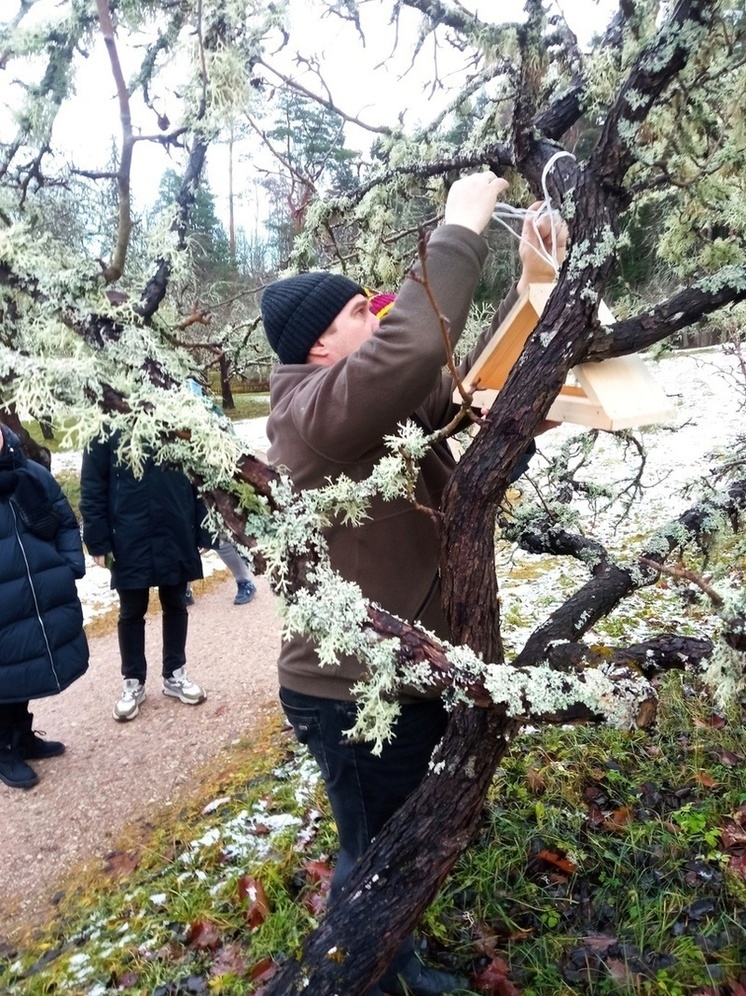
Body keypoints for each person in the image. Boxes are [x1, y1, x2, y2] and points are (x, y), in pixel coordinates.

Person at [261, 172, 566, 995]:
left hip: (406, 668)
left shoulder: (365, 403)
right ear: (320, 345)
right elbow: (420, 345)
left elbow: (459, 377)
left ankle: (386, 960)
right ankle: (360, 973)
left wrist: (538, 281)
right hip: (351, 691)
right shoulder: (314, 413)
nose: (382, 311)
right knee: (375, 854)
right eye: (361, 311)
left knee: (396, 843)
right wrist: (459, 227)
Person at [80, 436, 210, 721]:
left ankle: (174, 674)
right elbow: (92, 485)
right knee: (131, 609)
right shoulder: (103, 423)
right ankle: (133, 681)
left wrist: (204, 525)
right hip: (128, 532)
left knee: (176, 602)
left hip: (175, 525)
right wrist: (97, 540)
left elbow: (199, 475)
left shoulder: (175, 414)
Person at [0, 422, 89, 790]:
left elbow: (65, 522)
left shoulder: (30, 474)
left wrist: (68, 567)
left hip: (38, 589)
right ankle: (3, 748)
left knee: (25, 667)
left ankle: (21, 735)